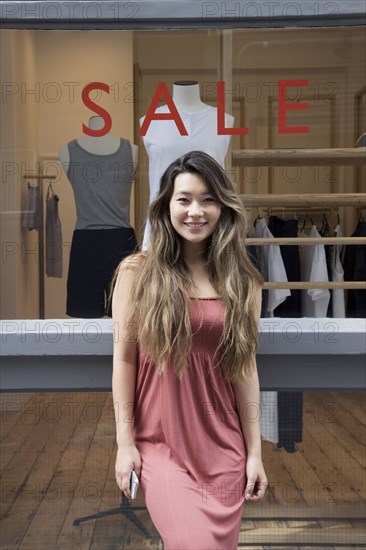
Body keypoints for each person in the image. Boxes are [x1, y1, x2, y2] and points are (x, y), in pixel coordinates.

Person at [111, 150, 267, 550]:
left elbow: (244, 368)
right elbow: (125, 360)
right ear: (166, 206)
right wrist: (124, 443)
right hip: (162, 450)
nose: (196, 211)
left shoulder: (243, 282)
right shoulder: (137, 273)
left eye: (208, 199)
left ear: (223, 207)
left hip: (224, 453)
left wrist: (255, 453)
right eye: (184, 199)